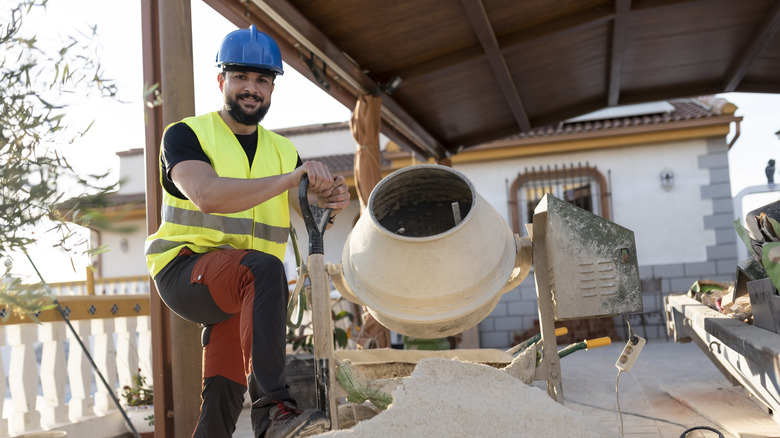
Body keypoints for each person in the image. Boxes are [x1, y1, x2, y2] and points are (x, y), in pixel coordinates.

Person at [145, 24, 350, 438]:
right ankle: (274, 409)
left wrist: (330, 194)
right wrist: (289, 180)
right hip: (185, 272)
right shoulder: (186, 135)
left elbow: (308, 203)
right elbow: (206, 195)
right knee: (265, 268)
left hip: (241, 289)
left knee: (222, 398)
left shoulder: (282, 150)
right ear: (221, 81)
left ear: (272, 89)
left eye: (262, 80)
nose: (251, 88)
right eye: (240, 77)